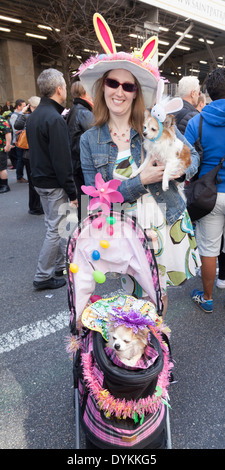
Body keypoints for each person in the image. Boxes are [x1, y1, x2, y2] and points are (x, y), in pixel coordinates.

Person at [79, 13, 201, 317]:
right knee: (134, 297)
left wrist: (179, 168)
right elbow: (94, 201)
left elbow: (194, 157)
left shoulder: (155, 124)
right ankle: (142, 350)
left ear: (136, 93)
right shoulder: (89, 141)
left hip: (165, 220)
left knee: (158, 295)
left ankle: (156, 346)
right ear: (102, 87)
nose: (119, 91)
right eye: (112, 82)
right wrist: (141, 179)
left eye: (128, 86)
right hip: (126, 231)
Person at [26, 68, 78, 290]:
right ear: (59, 89)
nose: (65, 89)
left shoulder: (35, 115)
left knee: (52, 226)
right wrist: (73, 191)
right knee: (55, 230)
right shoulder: (54, 119)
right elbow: (61, 160)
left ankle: (57, 266)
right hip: (53, 183)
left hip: (39, 180)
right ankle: (43, 275)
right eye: (64, 86)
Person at [185, 67, 225, 313]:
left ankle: (207, 297)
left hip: (208, 195)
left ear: (207, 92)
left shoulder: (196, 122)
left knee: (209, 249)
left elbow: (187, 164)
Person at [66, 81, 93, 221]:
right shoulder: (84, 112)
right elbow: (96, 135)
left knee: (83, 198)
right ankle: (86, 229)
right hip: (83, 162)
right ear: (86, 93)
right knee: (87, 199)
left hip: (76, 161)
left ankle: (83, 227)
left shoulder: (74, 110)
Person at [14, 96, 43, 215]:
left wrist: (22, 112)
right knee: (39, 181)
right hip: (39, 153)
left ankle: (34, 206)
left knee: (32, 182)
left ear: (30, 106)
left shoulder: (26, 117)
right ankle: (37, 206)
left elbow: (17, 125)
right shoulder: (42, 116)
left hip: (28, 154)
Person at [10, 99, 27, 182]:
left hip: (22, 140)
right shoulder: (14, 116)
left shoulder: (21, 114)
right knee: (20, 159)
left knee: (23, 159)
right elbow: (15, 130)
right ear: (18, 106)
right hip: (18, 141)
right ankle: (19, 177)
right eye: (23, 106)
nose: (25, 107)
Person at [0, 114, 11, 193]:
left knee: (2, 168)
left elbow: (8, 133)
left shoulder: (2, 120)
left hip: (1, 148)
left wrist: (8, 145)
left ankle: (5, 186)